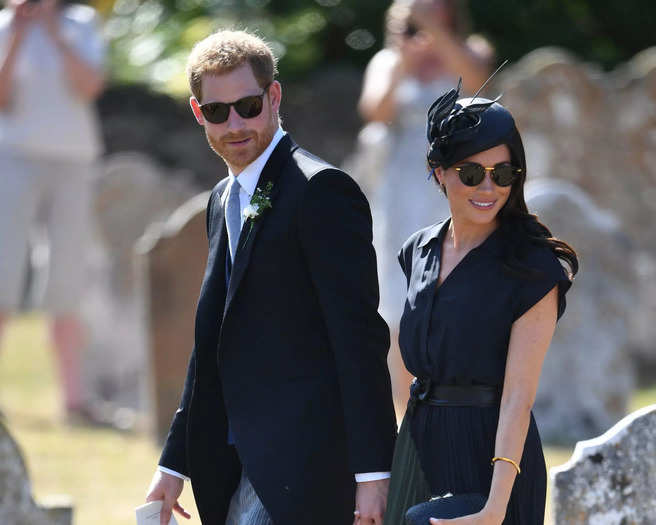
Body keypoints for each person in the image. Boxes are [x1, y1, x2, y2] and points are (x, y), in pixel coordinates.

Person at [144, 30, 397, 525]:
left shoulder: (323, 192)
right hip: (232, 464)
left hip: (306, 468)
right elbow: (211, 343)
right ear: (199, 115)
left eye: (248, 105)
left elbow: (360, 338)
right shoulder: (220, 200)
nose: (235, 123)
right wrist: (174, 463)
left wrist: (373, 474)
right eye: (217, 111)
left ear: (274, 96)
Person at [384, 81, 579, 524]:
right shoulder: (418, 249)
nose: (489, 187)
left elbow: (517, 399)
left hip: (493, 461)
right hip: (419, 444)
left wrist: (495, 507)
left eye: (503, 173)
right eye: (471, 173)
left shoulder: (533, 267)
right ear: (439, 172)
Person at [355, 0, 493, 414]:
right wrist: (401, 57)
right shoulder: (388, 60)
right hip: (401, 188)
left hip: (458, 185)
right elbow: (374, 111)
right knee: (399, 295)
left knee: (459, 286)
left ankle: (458, 401)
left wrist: (437, 34)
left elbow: (478, 81)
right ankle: (406, 409)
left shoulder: (471, 49)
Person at [0, 0, 105, 419]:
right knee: (2, 272)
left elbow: (89, 86)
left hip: (74, 160)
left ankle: (74, 400)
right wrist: (20, 36)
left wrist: (55, 35)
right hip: (13, 158)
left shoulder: (81, 24)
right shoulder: (4, 26)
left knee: (69, 277)